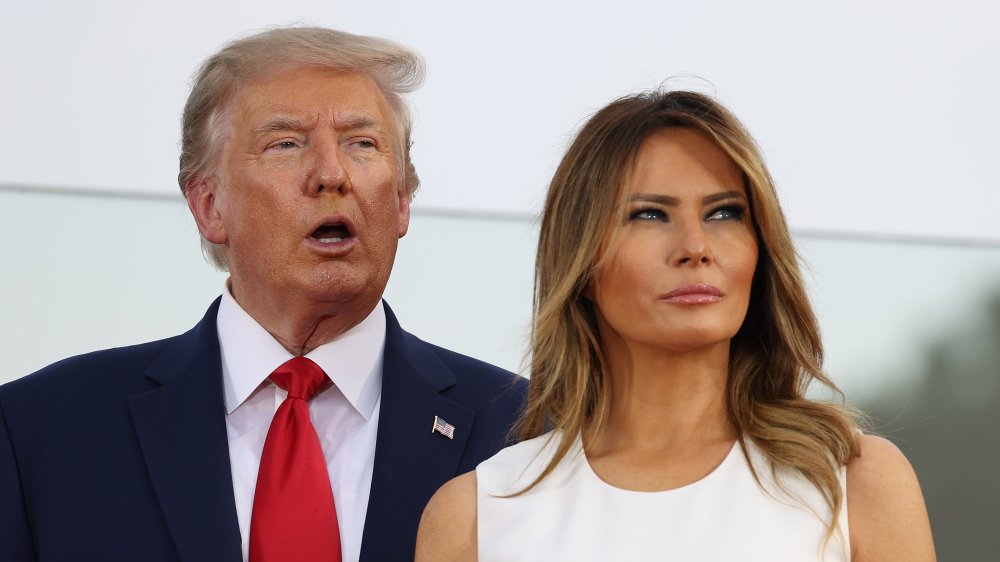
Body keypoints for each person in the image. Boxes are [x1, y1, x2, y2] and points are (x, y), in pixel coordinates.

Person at [0, 26, 525, 562]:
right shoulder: (41, 431)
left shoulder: (529, 432)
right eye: (286, 143)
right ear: (209, 206)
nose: (331, 173)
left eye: (362, 143)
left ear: (402, 200)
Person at [416, 90, 936, 561]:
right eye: (649, 215)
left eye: (725, 213)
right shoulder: (477, 514)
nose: (695, 247)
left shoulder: (854, 481)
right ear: (581, 261)